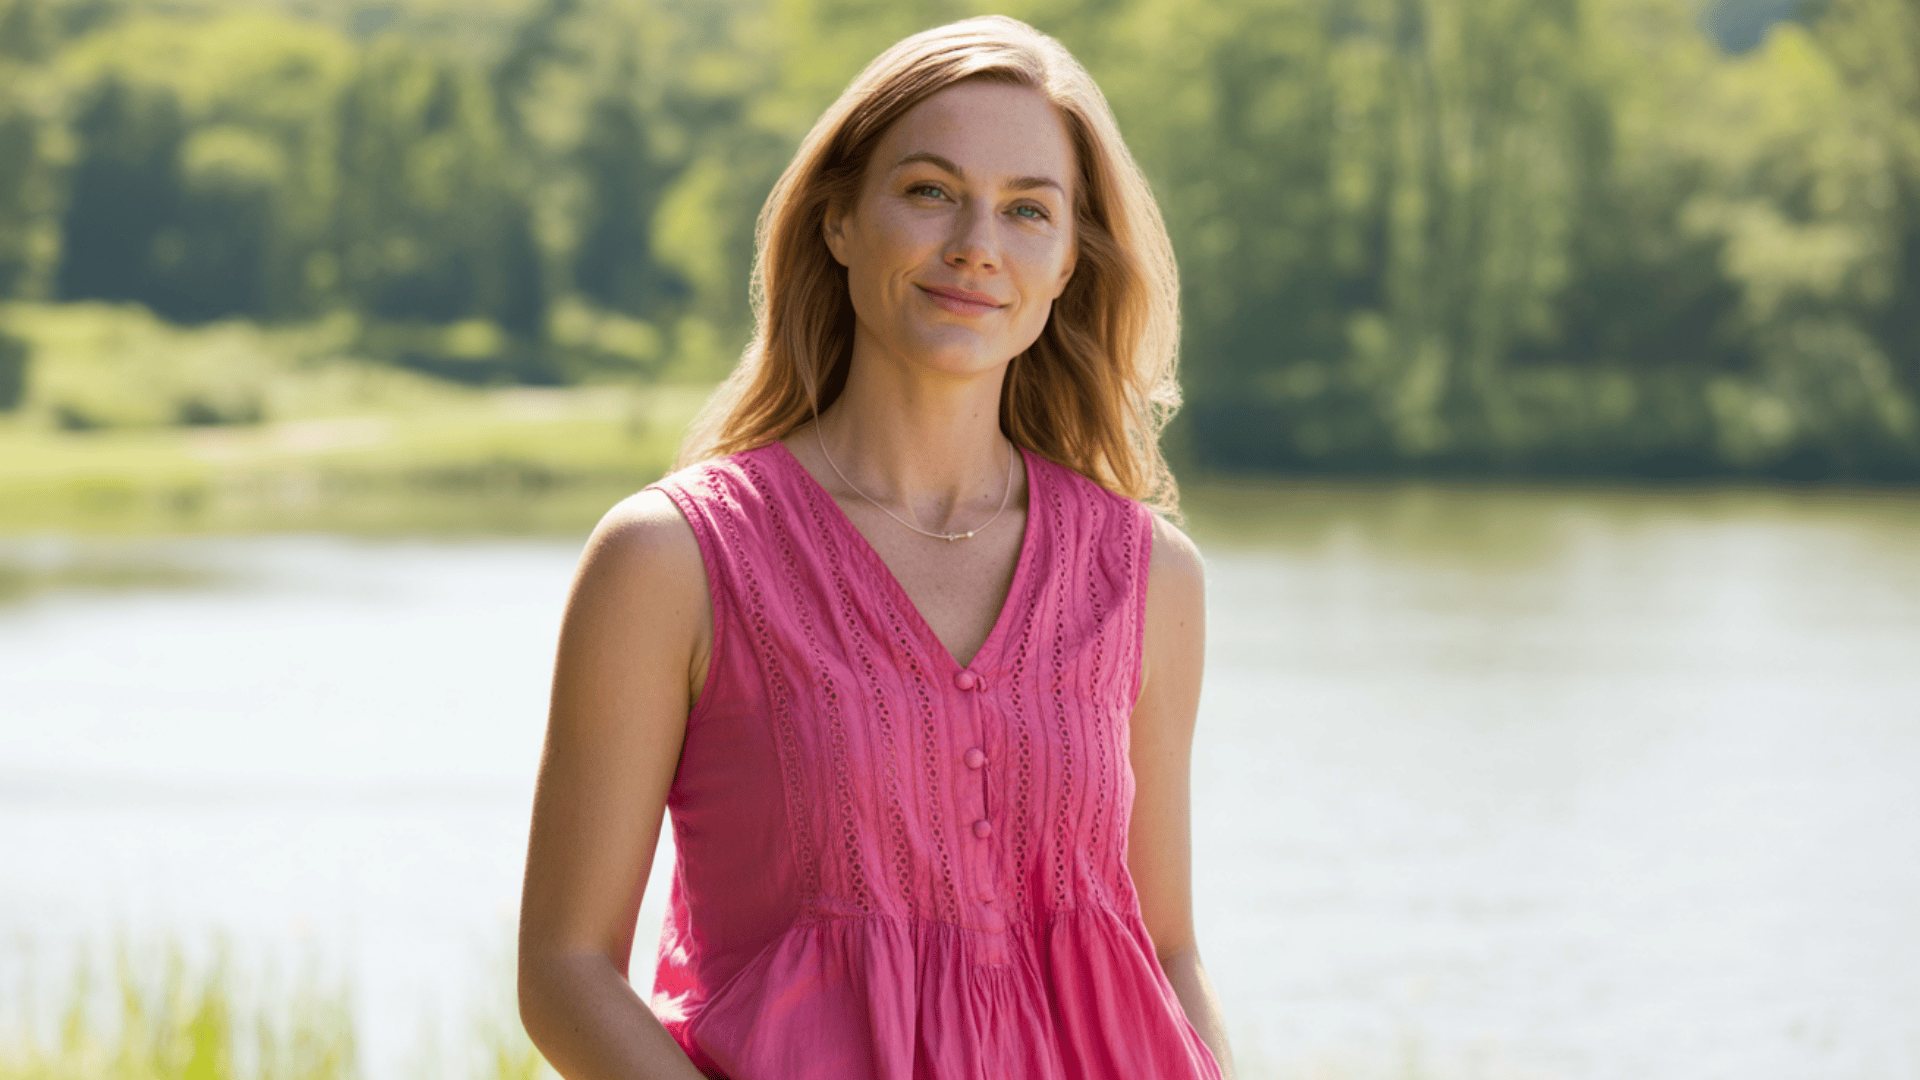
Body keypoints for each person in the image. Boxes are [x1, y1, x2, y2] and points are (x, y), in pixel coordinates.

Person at [517, 15, 1233, 1080]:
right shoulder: (672, 560)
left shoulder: (1149, 575)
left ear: (1070, 262)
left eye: (1029, 209)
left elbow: (1165, 952)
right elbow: (565, 972)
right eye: (931, 191)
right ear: (840, 219)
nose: (977, 244)